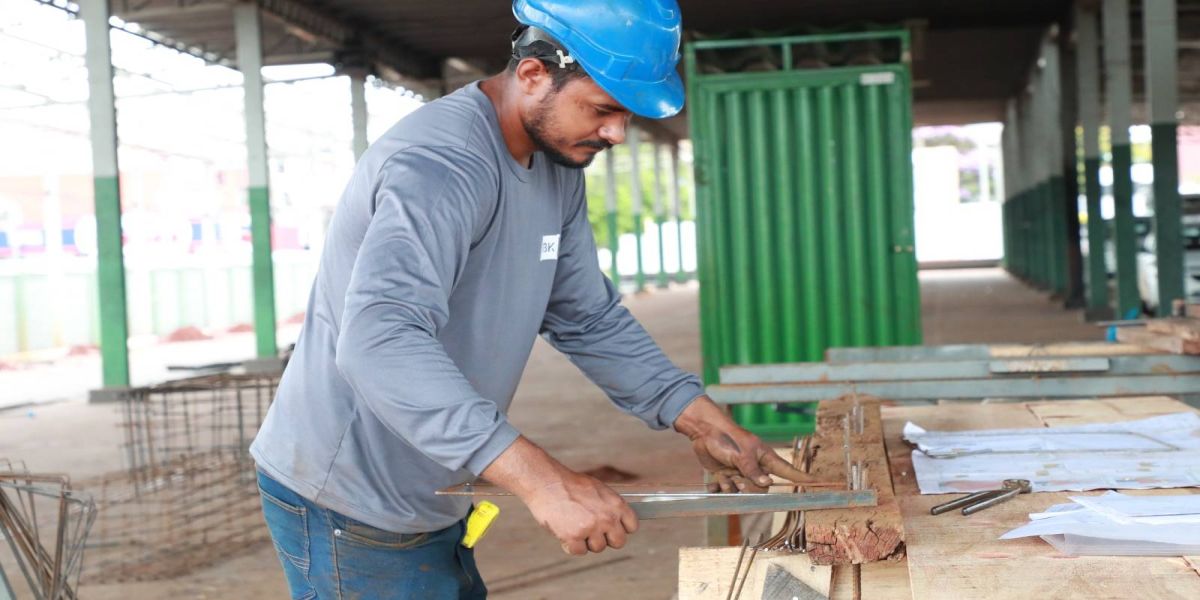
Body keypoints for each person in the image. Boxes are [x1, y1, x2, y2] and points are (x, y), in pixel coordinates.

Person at [249, 1, 810, 597]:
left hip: (436, 481)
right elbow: (378, 341)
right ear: (534, 74)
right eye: (603, 109)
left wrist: (696, 417)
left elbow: (585, 316)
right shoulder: (442, 166)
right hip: (353, 500)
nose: (616, 133)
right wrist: (543, 481)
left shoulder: (556, 163)